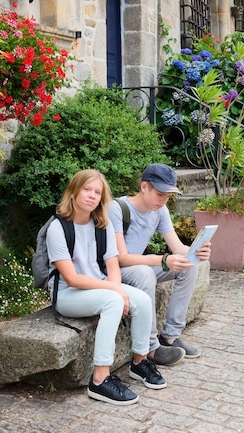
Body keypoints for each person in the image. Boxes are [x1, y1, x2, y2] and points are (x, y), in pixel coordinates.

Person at [46, 169, 166, 406]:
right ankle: (100, 380)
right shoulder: (57, 228)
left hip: (99, 287)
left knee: (141, 299)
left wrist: (116, 287)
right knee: (113, 301)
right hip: (68, 295)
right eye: (87, 190)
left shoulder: (103, 225)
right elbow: (72, 278)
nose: (92, 196)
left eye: (97, 192)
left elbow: (113, 265)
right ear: (73, 192)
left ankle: (140, 362)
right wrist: (115, 291)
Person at [108, 163, 211, 366]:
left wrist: (195, 252)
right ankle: (151, 347)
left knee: (189, 266)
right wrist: (162, 260)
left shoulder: (160, 210)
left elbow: (176, 247)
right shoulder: (117, 208)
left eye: (167, 195)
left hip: (137, 266)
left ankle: (171, 336)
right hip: (113, 271)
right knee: (145, 273)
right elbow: (120, 257)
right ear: (144, 187)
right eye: (159, 193)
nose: (163, 199)